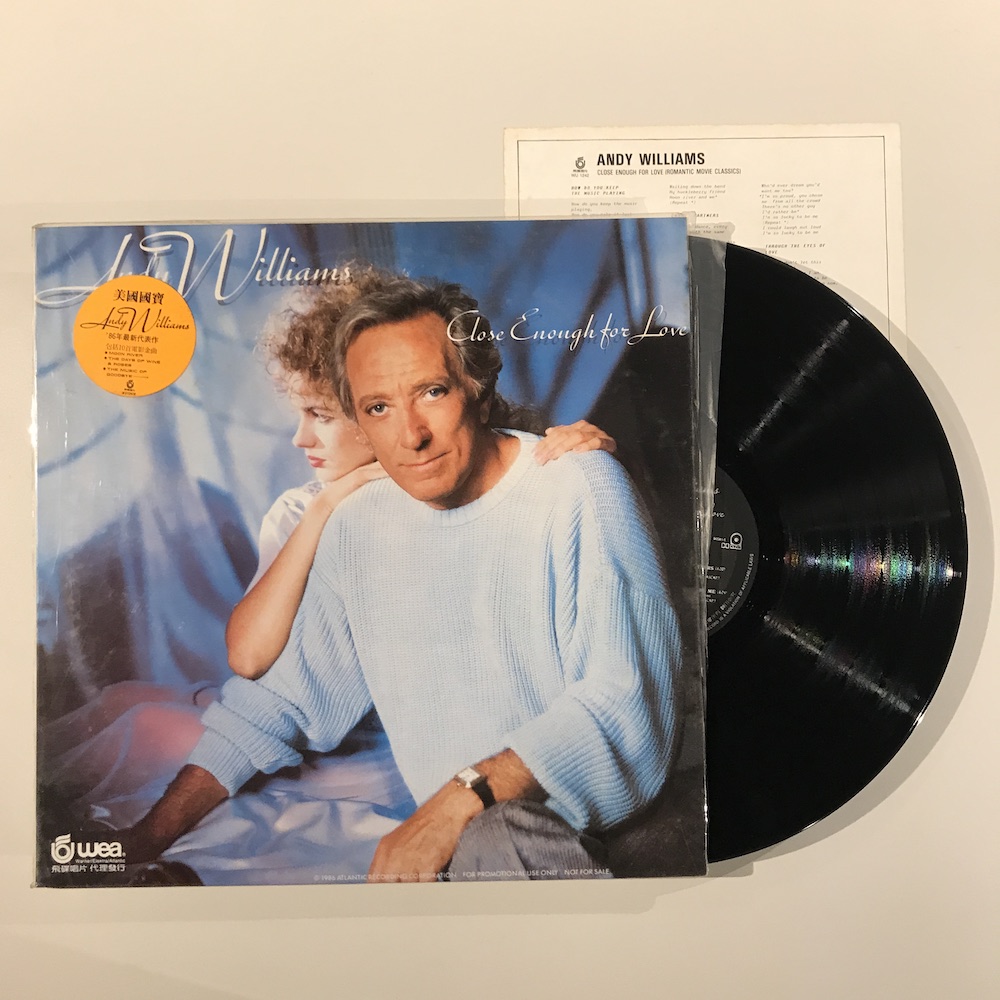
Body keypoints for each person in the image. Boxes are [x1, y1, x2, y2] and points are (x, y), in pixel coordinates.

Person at [124, 275, 681, 881]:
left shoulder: (579, 485)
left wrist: (459, 800)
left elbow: (624, 702)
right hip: (475, 840)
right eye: (379, 408)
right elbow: (271, 704)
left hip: (606, 833)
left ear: (478, 390)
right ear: (359, 422)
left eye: (432, 392)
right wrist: (140, 841)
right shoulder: (359, 526)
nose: (411, 436)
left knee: (492, 841)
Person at [41, 269, 615, 825]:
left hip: (363, 747)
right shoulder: (304, 508)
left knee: (139, 726)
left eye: (319, 415)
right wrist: (325, 506)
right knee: (123, 701)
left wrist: (580, 444)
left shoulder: (465, 484)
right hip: (282, 706)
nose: (300, 437)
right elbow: (250, 658)